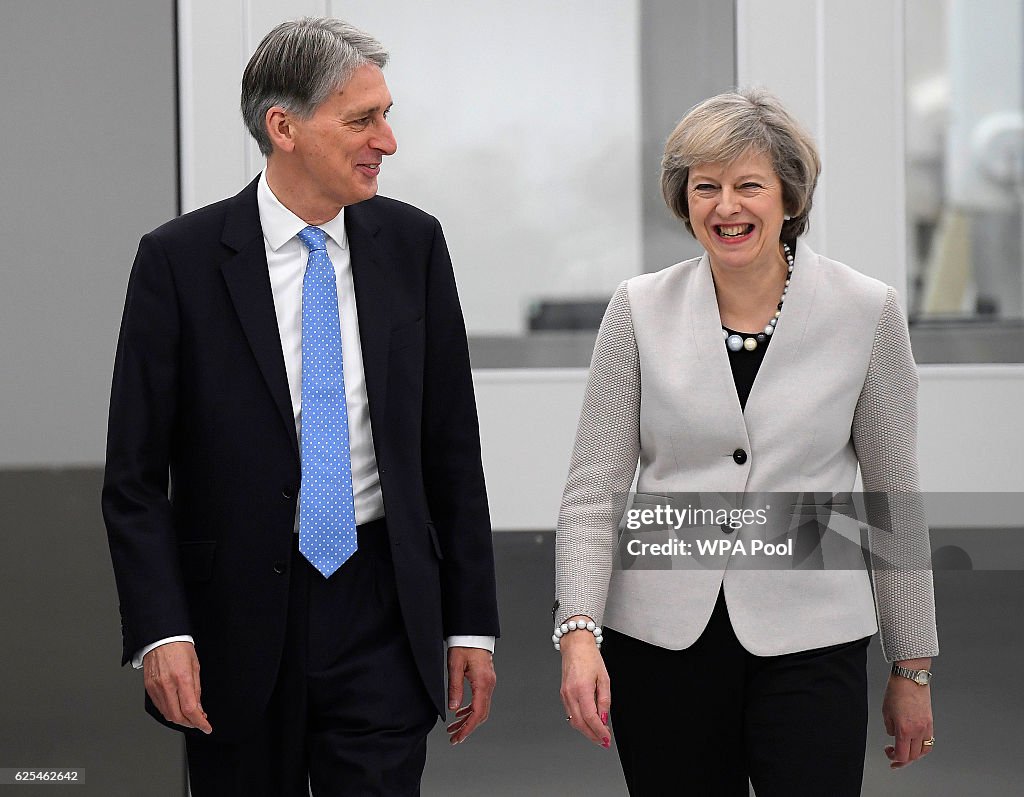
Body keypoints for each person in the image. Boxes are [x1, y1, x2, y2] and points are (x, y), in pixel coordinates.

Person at [102, 17, 498, 796]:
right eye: (362, 119)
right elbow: (134, 478)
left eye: (386, 115)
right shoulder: (178, 261)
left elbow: (451, 447)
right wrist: (161, 627)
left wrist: (470, 622)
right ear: (282, 126)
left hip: (382, 602)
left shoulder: (414, 245)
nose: (387, 140)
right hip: (235, 619)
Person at [553, 89, 938, 795]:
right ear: (685, 199)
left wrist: (911, 666)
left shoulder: (866, 309)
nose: (726, 206)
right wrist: (579, 630)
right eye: (707, 187)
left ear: (789, 197)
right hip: (661, 638)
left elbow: (894, 500)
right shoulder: (638, 308)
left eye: (748, 186)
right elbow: (592, 489)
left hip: (813, 638)